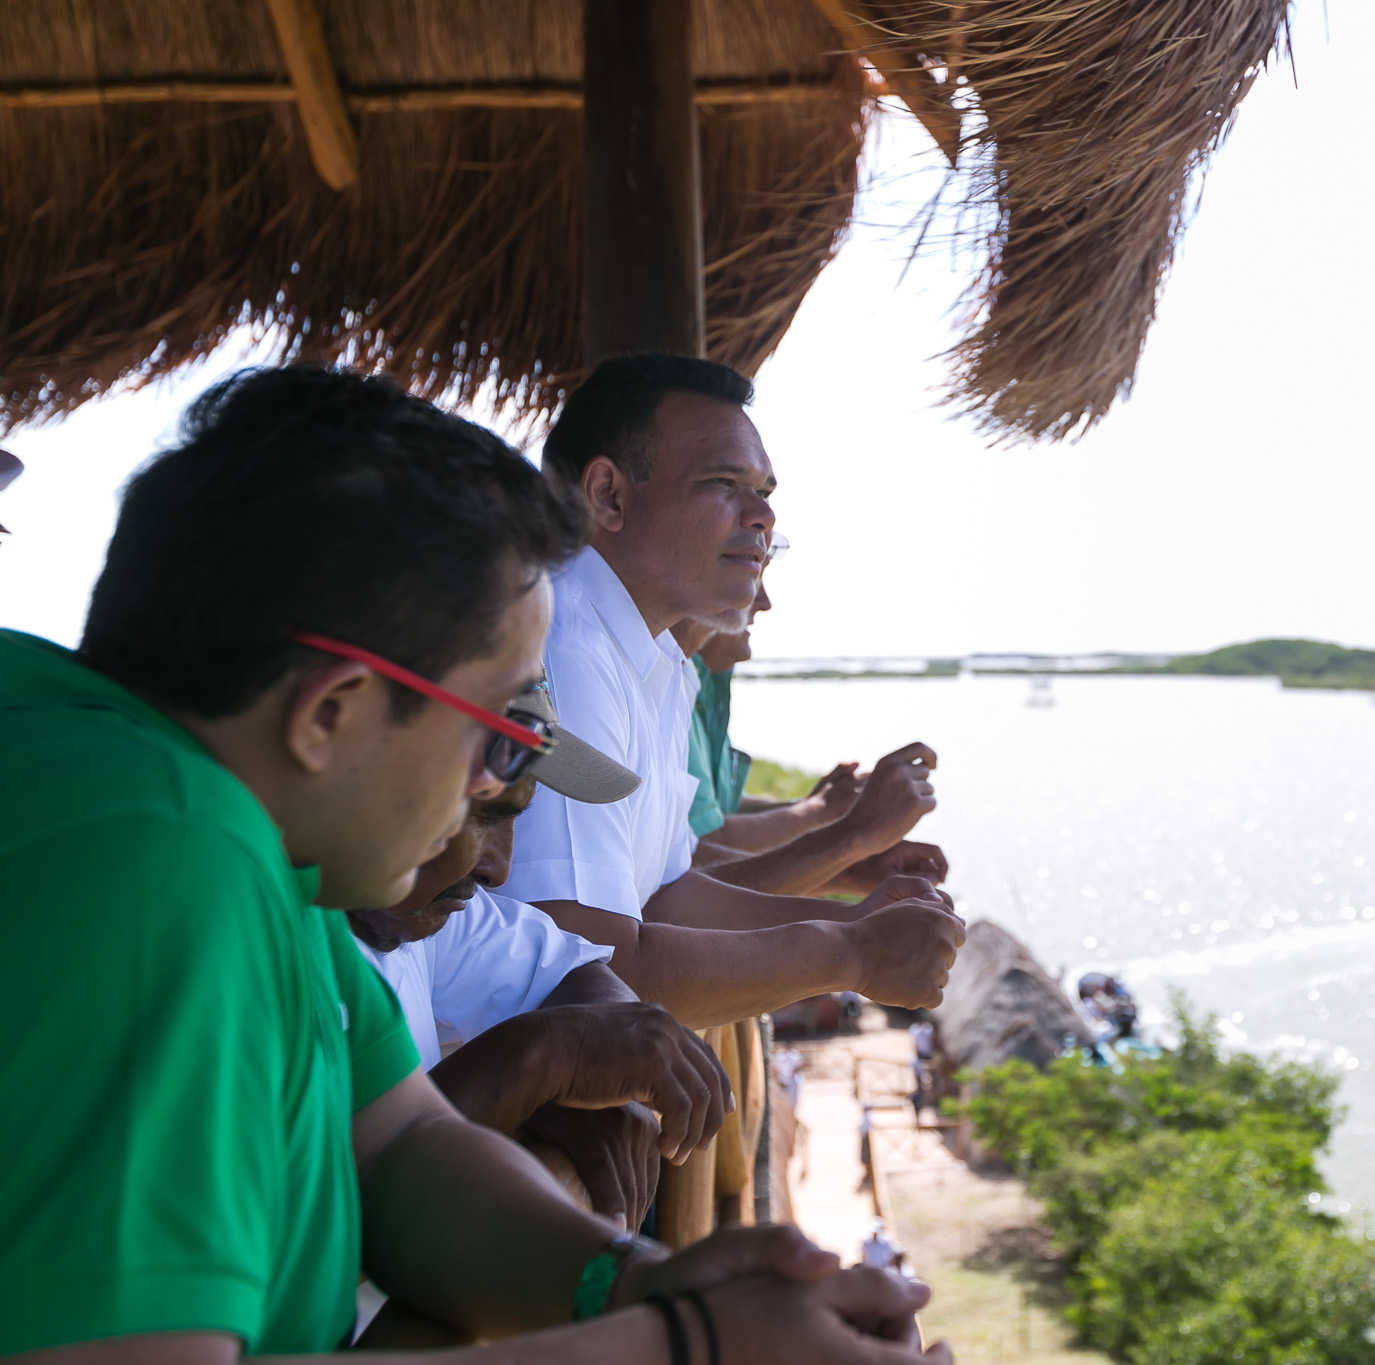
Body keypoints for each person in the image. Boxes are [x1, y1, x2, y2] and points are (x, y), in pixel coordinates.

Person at [0, 367, 945, 1362]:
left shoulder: (267, 841)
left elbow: (399, 1146)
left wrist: (636, 1279)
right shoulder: (156, 860)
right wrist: (687, 1343)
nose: (497, 804)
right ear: (331, 714)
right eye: (499, 742)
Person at [504, 354, 965, 1026]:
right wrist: (851, 951)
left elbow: (665, 897)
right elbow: (592, 968)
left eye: (767, 493)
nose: (761, 518)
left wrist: (866, 919)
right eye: (724, 483)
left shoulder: (656, 660)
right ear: (608, 495)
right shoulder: (568, 651)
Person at [350, 761, 726, 1229]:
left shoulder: (413, 903)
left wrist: (579, 1071)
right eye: (480, 809)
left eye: (514, 817)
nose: (500, 868)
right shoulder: (253, 938)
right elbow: (324, 1206)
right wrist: (538, 1062)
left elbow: (571, 972)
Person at [684, 578, 948, 896]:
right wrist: (829, 821)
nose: (764, 602)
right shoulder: (670, 688)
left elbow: (708, 811)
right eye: (749, 572)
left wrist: (825, 823)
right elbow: (700, 847)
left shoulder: (703, 681)